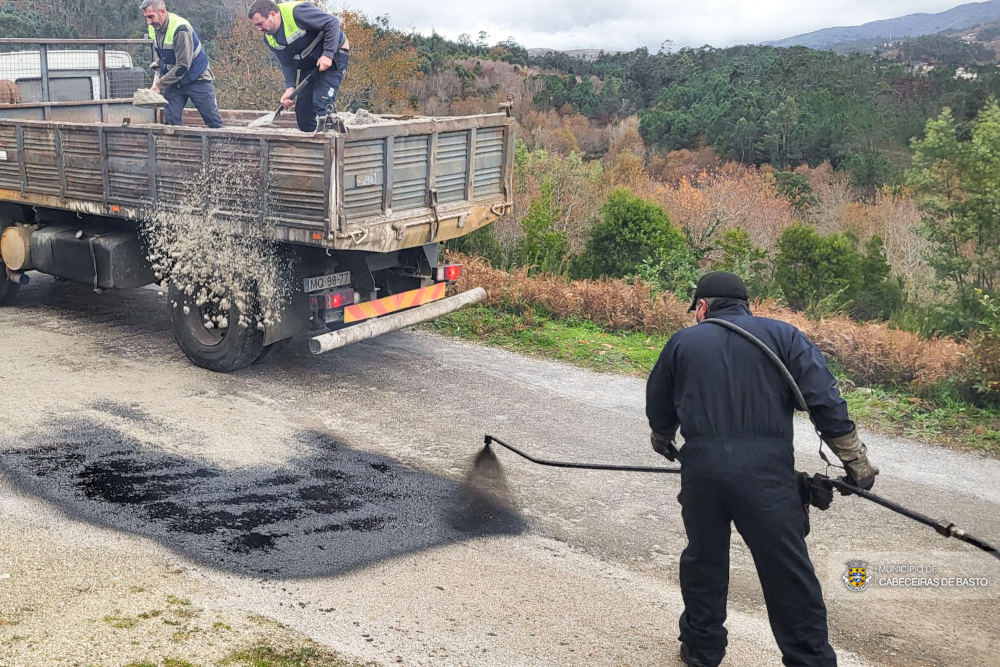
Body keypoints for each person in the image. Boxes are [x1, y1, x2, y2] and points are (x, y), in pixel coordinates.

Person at [645, 272, 878, 667]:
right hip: (767, 475)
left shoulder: (683, 341)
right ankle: (810, 661)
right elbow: (824, 401)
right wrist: (856, 463)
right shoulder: (784, 336)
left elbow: (660, 406)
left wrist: (663, 439)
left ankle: (702, 650)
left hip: (702, 471)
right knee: (787, 572)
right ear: (745, 304)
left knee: (704, 560)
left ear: (702, 307)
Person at [247, 0, 350, 132]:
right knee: (303, 112)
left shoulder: (297, 13)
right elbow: (286, 62)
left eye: (260, 24)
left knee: (322, 101)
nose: (259, 29)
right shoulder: (269, 38)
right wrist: (290, 87)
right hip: (309, 64)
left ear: (272, 14)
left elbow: (332, 22)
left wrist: (327, 54)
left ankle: (333, 144)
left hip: (334, 54)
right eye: (256, 26)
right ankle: (312, 147)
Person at [141, 0, 223, 128]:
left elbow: (183, 66)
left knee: (213, 121)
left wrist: (159, 84)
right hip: (175, 81)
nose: (148, 22)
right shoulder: (154, 28)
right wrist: (158, 65)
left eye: (151, 17)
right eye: (146, 17)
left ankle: (221, 145)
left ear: (162, 12)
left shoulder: (180, 29)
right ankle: (172, 147)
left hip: (197, 77)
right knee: (171, 123)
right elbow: (164, 53)